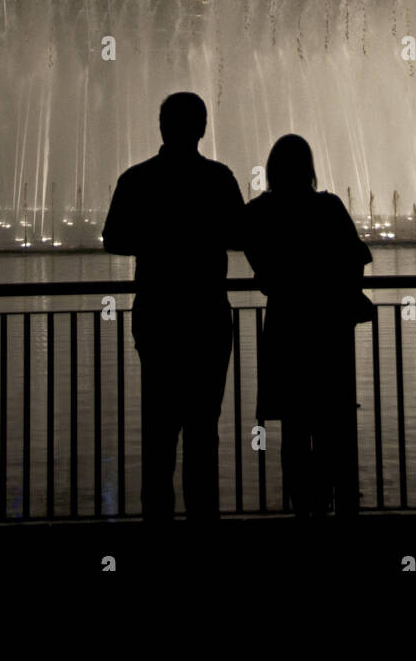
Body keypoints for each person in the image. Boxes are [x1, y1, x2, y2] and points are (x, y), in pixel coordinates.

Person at [102, 92, 245, 522]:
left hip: (158, 315)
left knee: (159, 431)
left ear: (162, 127)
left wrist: (155, 239)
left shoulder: (137, 178)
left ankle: (157, 527)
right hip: (206, 316)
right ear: (202, 129)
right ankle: (204, 523)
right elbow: (240, 236)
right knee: (204, 430)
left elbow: (113, 239)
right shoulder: (218, 178)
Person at [244, 134, 373, 518]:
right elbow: (357, 259)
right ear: (310, 168)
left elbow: (251, 254)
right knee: (331, 427)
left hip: (286, 328)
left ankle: (303, 510)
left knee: (294, 430)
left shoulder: (259, 213)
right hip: (328, 331)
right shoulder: (329, 207)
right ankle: (335, 505)